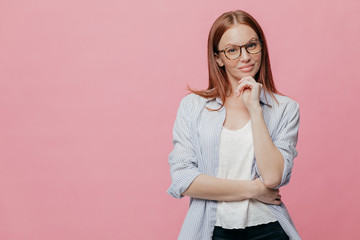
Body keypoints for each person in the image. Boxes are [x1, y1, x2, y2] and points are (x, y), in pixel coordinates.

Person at [166, 10, 301, 240]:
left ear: (261, 47)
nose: (245, 56)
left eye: (251, 45)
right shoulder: (193, 106)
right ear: (218, 58)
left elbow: (272, 178)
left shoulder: (285, 108)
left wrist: (255, 109)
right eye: (232, 50)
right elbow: (183, 179)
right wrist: (254, 190)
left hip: (268, 229)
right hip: (212, 230)